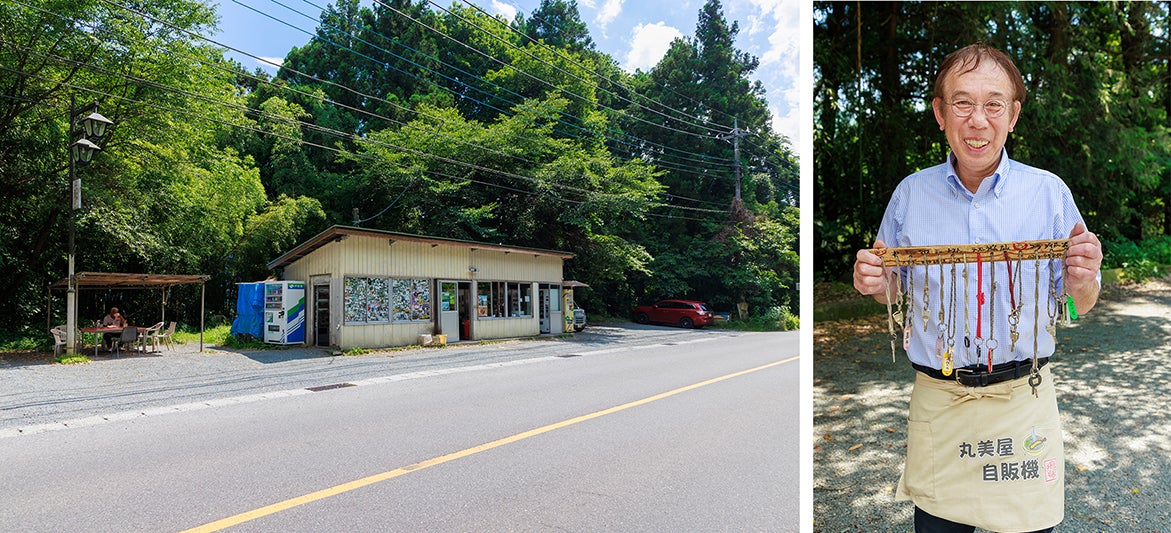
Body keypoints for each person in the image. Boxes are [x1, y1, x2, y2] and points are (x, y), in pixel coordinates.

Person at [853, 44, 1102, 533]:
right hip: (941, 404)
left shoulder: (1049, 192)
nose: (977, 120)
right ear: (940, 114)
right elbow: (893, 292)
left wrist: (1082, 277)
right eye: (962, 103)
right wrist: (875, 281)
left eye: (993, 104)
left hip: (1021, 403)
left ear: (1013, 115)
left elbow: (1081, 301)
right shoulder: (909, 195)